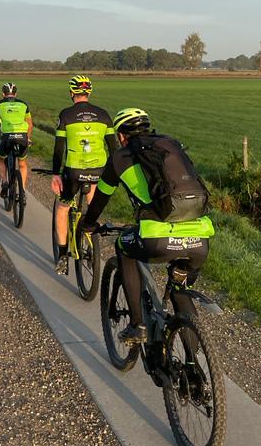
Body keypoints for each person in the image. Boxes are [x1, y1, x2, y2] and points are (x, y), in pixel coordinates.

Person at [80, 107, 214, 343]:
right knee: (179, 289)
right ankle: (194, 372)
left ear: (121, 135)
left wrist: (88, 224)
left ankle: (137, 325)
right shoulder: (170, 146)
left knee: (124, 247)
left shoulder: (120, 158)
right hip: (200, 239)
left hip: (157, 240)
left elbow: (100, 198)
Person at [50, 75, 116, 274]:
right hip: (98, 170)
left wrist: (55, 174)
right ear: (89, 92)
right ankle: (90, 232)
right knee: (92, 200)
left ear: (72, 93)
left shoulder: (66, 115)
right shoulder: (103, 115)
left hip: (74, 171)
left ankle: (62, 256)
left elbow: (59, 148)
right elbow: (114, 148)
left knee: (62, 208)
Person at [0, 82, 33, 198]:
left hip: (7, 137)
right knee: (22, 164)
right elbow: (30, 124)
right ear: (15, 93)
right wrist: (28, 138)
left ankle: (4, 181)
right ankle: (22, 191)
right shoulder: (24, 104)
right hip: (22, 136)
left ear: (3, 94)